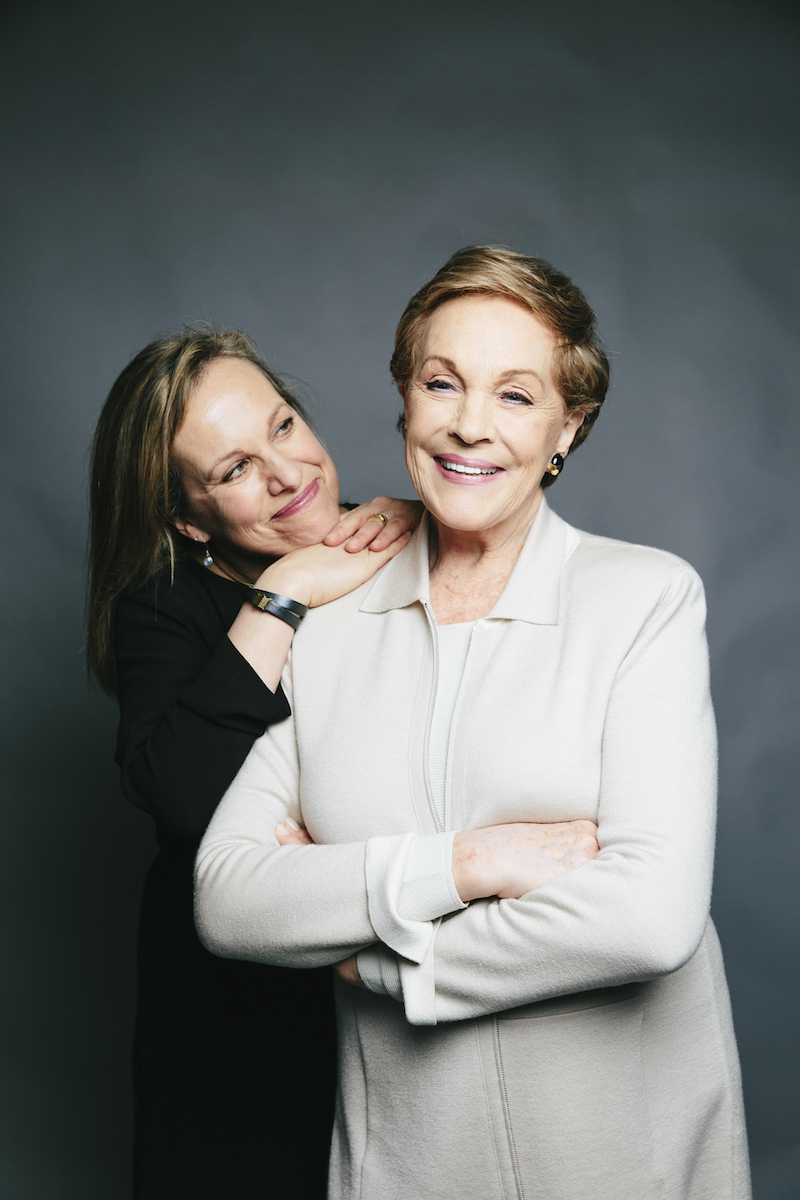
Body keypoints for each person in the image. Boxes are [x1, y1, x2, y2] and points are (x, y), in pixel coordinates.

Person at [195, 247, 751, 1200]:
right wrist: (467, 864)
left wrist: (384, 965)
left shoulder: (644, 601)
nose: (468, 425)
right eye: (441, 382)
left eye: (516, 396)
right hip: (404, 1169)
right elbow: (230, 897)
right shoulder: (330, 628)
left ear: (567, 426)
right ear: (405, 400)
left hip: (626, 1167)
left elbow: (651, 916)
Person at [87, 326, 426, 1198]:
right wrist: (292, 589)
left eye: (282, 426)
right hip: (233, 1017)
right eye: (233, 469)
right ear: (186, 517)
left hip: (395, 979)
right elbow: (176, 793)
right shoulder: (161, 605)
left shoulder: (404, 546)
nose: (286, 473)